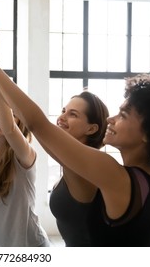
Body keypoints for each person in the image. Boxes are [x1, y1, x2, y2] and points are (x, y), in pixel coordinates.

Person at [0, 18, 150, 246]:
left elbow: (38, 124)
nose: (111, 118)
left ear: (148, 133)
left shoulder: (116, 176)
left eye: (123, 115)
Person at [0, 77, 50, 247]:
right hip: (2, 244)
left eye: (14, 114)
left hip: (30, 245)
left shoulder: (25, 154)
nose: (4, 117)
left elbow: (9, 129)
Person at [48, 91, 109, 246]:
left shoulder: (87, 169)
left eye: (73, 114)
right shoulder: (70, 162)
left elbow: (36, 125)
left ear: (91, 129)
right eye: (63, 111)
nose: (61, 118)